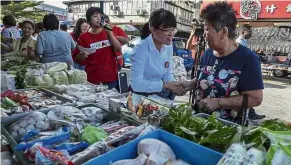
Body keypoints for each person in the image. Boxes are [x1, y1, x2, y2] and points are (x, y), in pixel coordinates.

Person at [182, 2, 264, 125]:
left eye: (207, 29)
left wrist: (219, 102)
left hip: (226, 130)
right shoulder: (208, 54)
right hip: (199, 122)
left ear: (224, 32)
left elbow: (255, 99)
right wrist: (188, 84)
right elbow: (206, 77)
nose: (204, 34)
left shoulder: (248, 59)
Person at [129, 8, 186, 109]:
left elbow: (167, 72)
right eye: (167, 29)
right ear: (153, 30)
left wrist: (174, 86)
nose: (171, 33)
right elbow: (136, 84)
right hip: (139, 98)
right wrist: (166, 85)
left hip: (157, 97)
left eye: (173, 29)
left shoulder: (168, 46)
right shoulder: (140, 50)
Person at [72, 7, 121, 89]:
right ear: (89, 21)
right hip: (93, 80)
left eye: (100, 16)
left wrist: (110, 33)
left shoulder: (108, 31)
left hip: (111, 78)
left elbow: (118, 49)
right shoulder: (84, 37)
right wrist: (83, 55)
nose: (99, 18)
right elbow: (77, 58)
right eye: (95, 16)